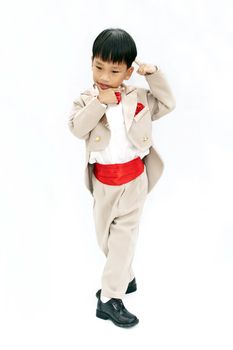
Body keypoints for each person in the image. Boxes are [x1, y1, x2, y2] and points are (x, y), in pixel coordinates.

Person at [68, 28, 176, 328]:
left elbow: (167, 104)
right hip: (103, 184)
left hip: (133, 181)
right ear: (91, 62)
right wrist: (100, 102)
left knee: (122, 241)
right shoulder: (85, 100)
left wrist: (153, 74)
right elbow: (77, 129)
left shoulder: (138, 97)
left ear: (128, 72)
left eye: (114, 70)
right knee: (106, 240)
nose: (104, 75)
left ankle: (108, 298)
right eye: (98, 66)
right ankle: (124, 276)